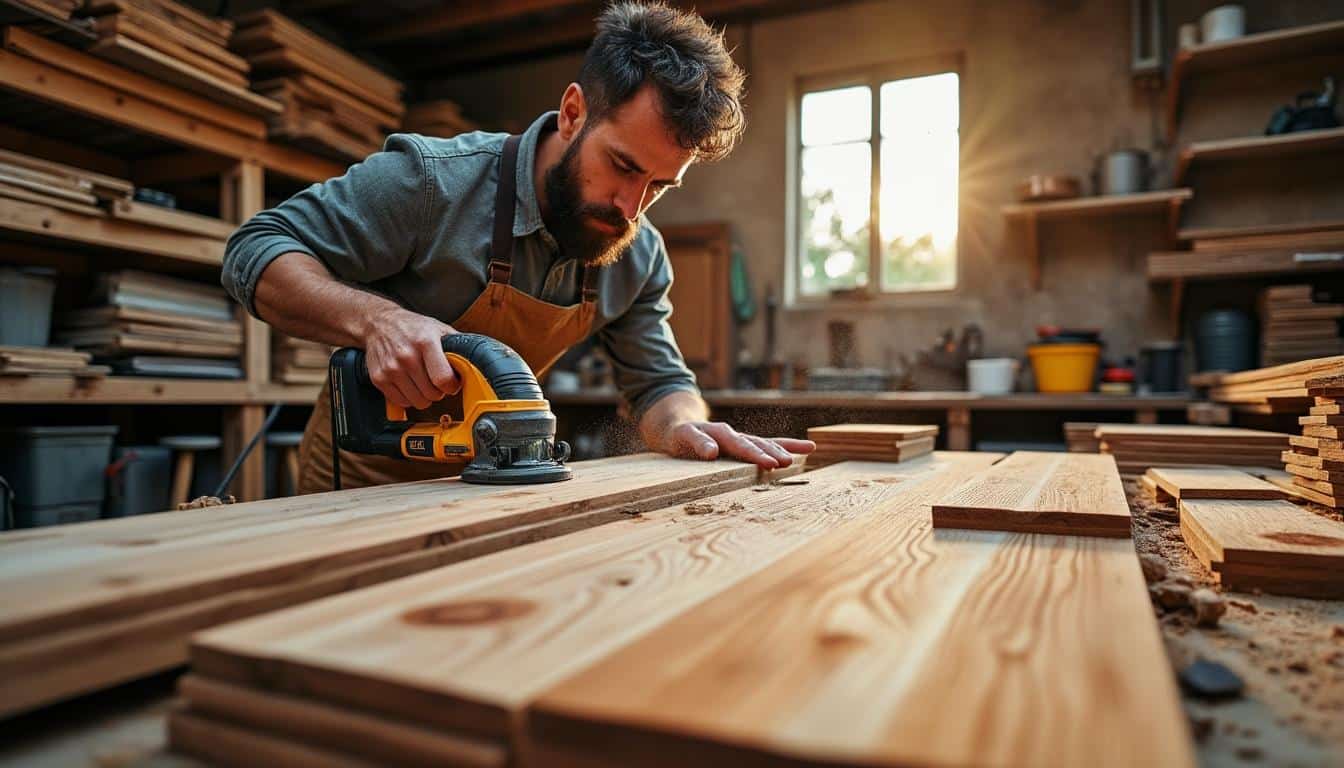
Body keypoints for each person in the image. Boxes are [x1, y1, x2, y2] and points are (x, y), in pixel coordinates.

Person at [222, 1, 814, 493]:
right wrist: (378, 321)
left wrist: (688, 428)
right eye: (622, 166)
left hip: (492, 489)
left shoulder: (637, 253)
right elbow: (255, 248)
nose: (631, 207)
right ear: (573, 112)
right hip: (357, 490)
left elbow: (660, 384)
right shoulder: (434, 182)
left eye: (658, 186)